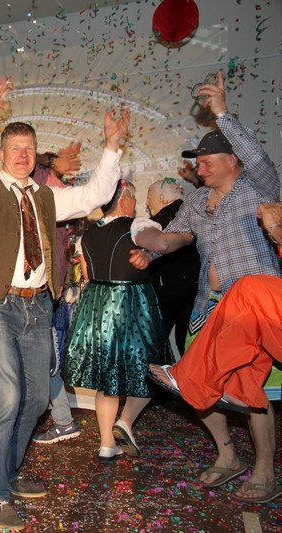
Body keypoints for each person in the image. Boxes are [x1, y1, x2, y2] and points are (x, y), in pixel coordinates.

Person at [0, 77, 129, 530]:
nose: (23, 155)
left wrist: (111, 147)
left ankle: (7, 472)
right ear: (1, 153)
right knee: (7, 396)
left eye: (29, 148)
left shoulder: (46, 196)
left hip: (37, 305)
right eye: (15, 148)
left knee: (35, 400)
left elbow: (94, 195)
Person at [133, 72, 280, 502]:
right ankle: (228, 455)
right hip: (206, 305)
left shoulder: (256, 187)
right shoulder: (197, 200)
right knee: (199, 386)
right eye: (197, 161)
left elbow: (259, 159)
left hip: (249, 306)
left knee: (252, 392)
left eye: (206, 160)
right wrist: (151, 252)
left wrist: (221, 112)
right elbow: (176, 236)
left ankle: (265, 471)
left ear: (231, 159)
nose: (199, 167)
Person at [63, 181, 167, 462]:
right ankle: (126, 420)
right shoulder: (136, 225)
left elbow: (87, 273)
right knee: (151, 367)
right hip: (132, 302)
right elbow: (161, 243)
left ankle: (107, 443)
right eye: (133, 198)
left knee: (107, 376)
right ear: (124, 200)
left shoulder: (87, 235)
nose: (136, 204)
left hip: (97, 304)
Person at [31, 145, 85, 445]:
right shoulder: (41, 182)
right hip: (39, 287)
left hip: (40, 290)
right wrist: (52, 161)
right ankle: (62, 418)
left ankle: (62, 419)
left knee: (43, 356)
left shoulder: (50, 188)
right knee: (42, 356)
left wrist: (51, 162)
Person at [146, 178, 200, 355]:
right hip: (195, 287)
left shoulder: (157, 223)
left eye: (149, 198)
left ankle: (160, 372)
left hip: (166, 290)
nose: (148, 204)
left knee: (157, 341)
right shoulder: (194, 213)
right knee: (188, 341)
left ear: (162, 198)